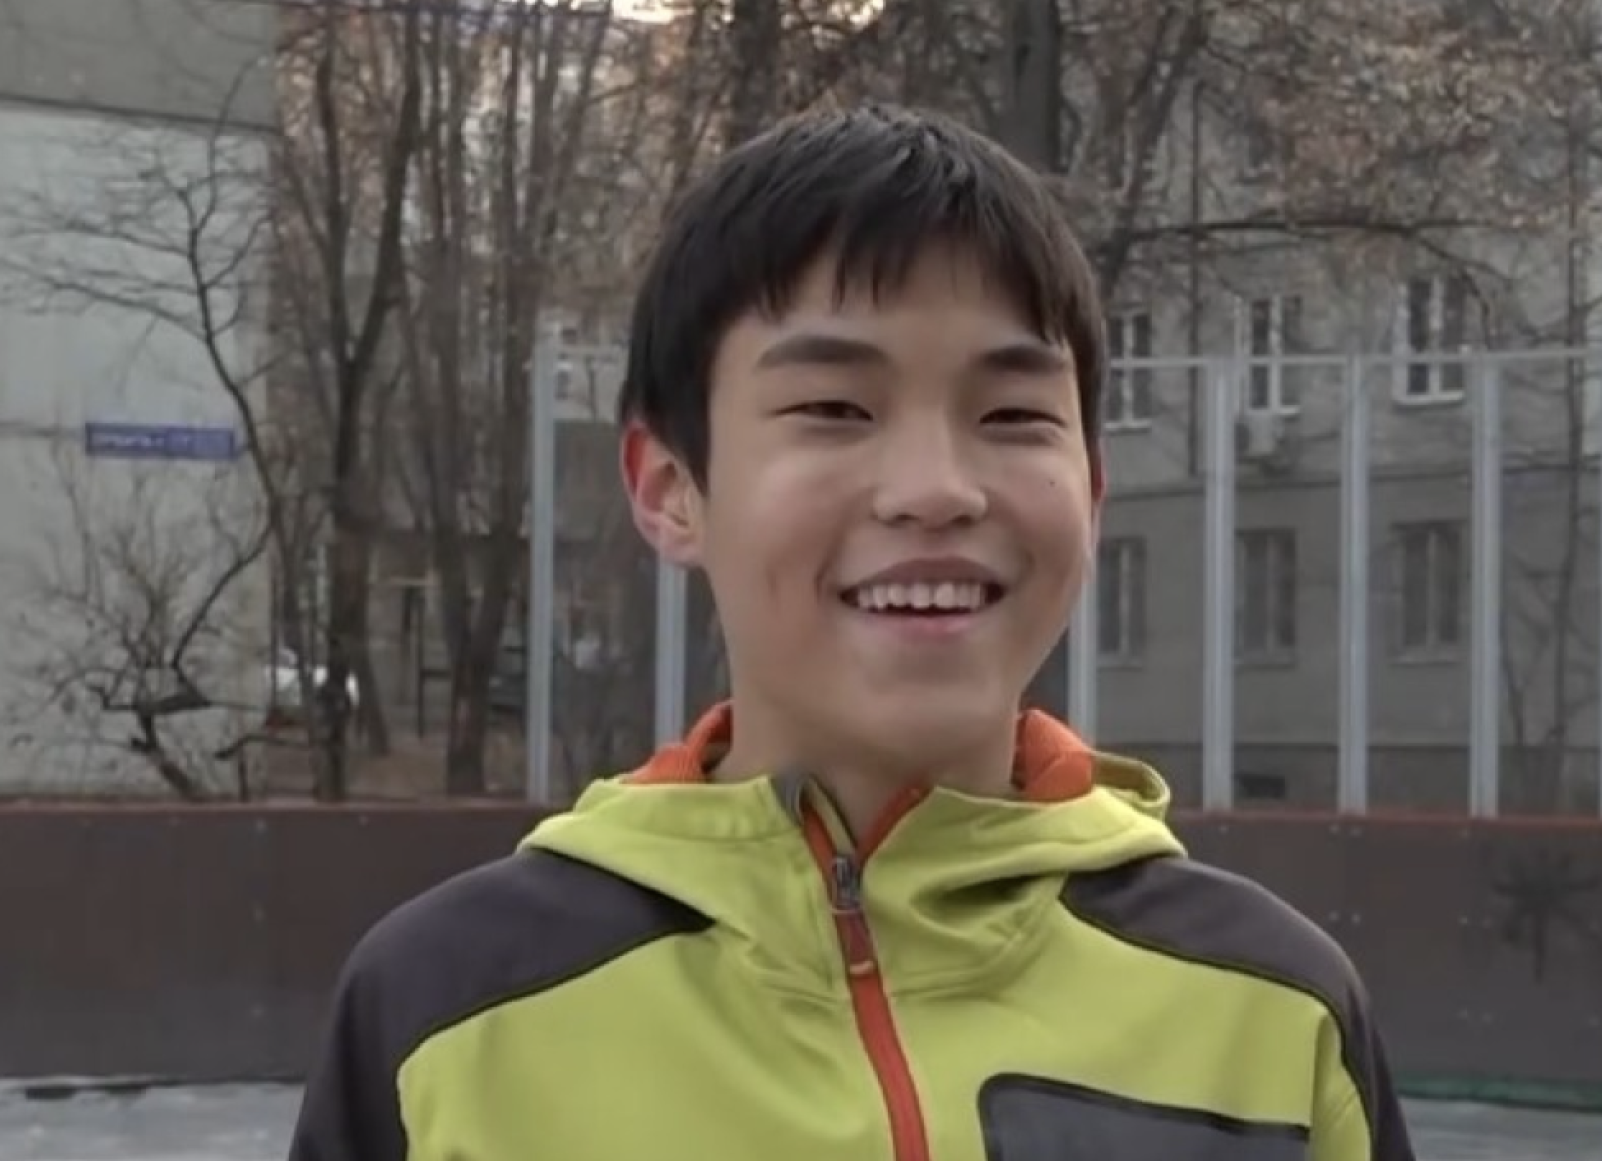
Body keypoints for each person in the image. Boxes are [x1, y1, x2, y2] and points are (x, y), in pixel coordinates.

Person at [287, 103, 1418, 1161]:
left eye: (1013, 414)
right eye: (834, 408)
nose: (936, 490)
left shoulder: (1272, 1014)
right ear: (671, 487)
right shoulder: (450, 1016)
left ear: (1090, 485)